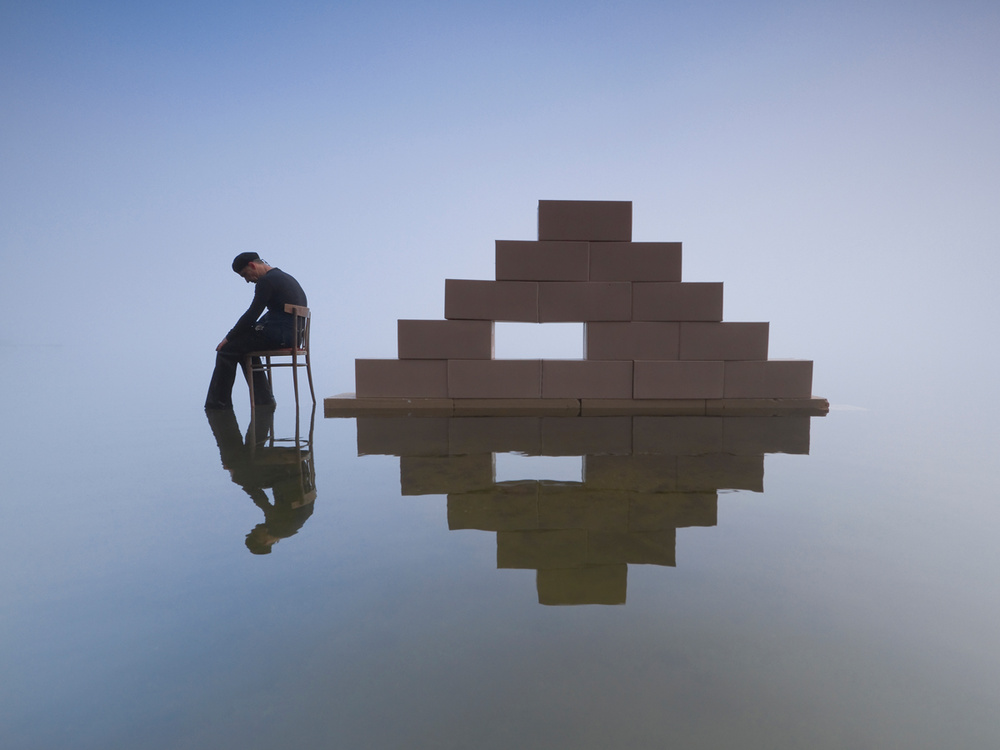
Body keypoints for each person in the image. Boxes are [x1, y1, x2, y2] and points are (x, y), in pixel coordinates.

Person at [205, 252, 308, 409]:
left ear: (253, 265)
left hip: (280, 335)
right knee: (242, 347)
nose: (247, 281)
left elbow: (252, 314)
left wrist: (228, 337)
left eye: (245, 275)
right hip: (292, 336)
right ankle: (264, 401)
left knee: (227, 350)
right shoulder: (284, 277)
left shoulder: (266, 281)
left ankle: (217, 406)